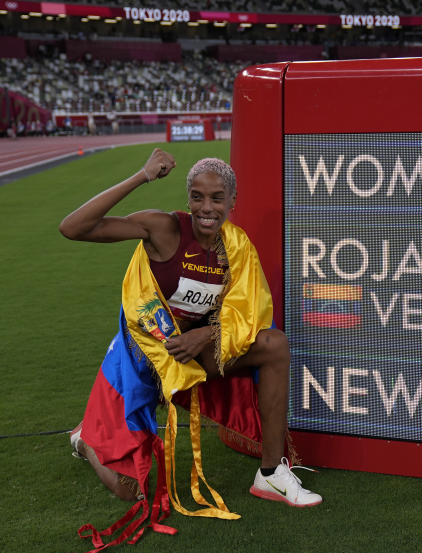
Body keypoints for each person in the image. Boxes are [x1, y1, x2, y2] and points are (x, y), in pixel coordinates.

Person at [59, 148, 322, 514]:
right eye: (197, 197)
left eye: (217, 198)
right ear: (188, 199)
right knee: (128, 488)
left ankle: (272, 472)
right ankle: (87, 439)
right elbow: (73, 228)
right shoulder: (163, 228)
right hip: (142, 358)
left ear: (233, 200)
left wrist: (209, 335)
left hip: (193, 353)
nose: (206, 208)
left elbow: (250, 310)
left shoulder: (237, 246)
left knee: (274, 344)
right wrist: (141, 176)